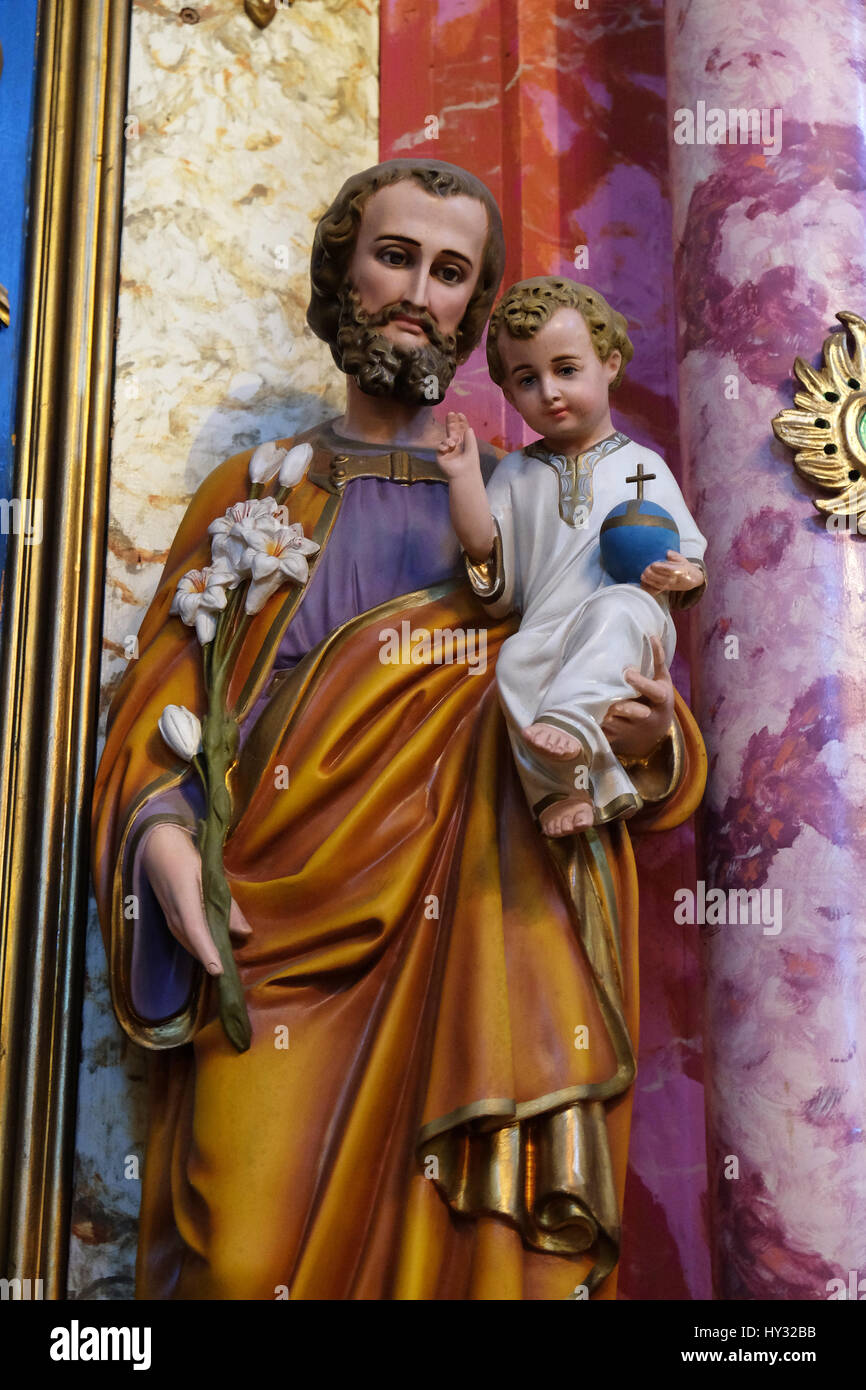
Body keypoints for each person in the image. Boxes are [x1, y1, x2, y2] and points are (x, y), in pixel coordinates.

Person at [91, 159, 706, 1300]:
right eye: (394, 256)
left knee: (472, 1256)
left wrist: (643, 735)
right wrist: (163, 843)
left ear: (472, 313)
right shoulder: (257, 493)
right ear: (342, 272)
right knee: (243, 1259)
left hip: (481, 921)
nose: (417, 292)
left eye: (450, 272)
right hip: (274, 927)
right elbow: (159, 712)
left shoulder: (519, 500)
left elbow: (615, 674)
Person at [438, 277, 707, 836]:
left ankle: (568, 723)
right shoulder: (515, 472)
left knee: (615, 613)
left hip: (629, 616)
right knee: (515, 664)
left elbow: (688, 557)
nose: (550, 392)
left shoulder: (644, 465)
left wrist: (679, 572)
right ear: (509, 397)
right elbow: (484, 548)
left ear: (608, 364)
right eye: (527, 380)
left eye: (566, 369)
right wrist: (464, 477)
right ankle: (562, 792)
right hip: (547, 627)